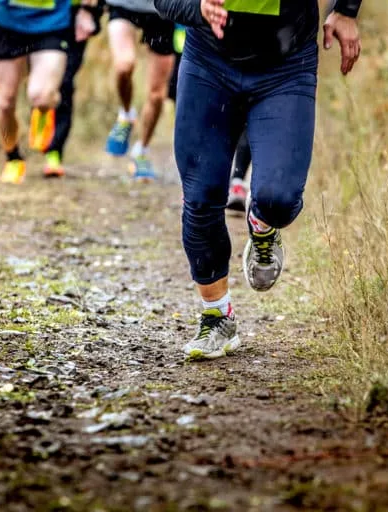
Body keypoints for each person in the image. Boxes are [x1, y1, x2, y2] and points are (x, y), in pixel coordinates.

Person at [154, 0, 362, 359]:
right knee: (201, 196)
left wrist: (346, 9)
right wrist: (196, 7)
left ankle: (263, 225)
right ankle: (217, 316)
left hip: (286, 65)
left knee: (278, 198)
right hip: (209, 63)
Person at [0, 0, 96, 185]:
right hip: (8, 23)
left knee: (42, 96)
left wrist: (86, 11)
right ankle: (13, 158)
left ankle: (44, 111)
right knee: (4, 103)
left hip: (52, 24)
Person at [167, 23, 250, 212]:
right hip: (195, 46)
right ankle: (196, 182)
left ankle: (236, 179)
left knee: (244, 111)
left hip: (245, 46)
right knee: (202, 112)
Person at [104, 0, 176, 180]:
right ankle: (126, 115)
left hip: (162, 10)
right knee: (123, 66)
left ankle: (141, 151)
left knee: (157, 95)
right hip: (123, 5)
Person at [42, 0, 106, 178]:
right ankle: (40, 131)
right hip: (38, 12)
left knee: (64, 80)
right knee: (41, 79)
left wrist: (87, 10)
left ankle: (54, 150)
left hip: (74, 13)